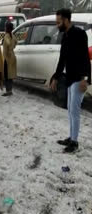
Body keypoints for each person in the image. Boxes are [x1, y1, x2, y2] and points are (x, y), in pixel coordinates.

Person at [50, 9, 91, 153]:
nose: (57, 25)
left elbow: (86, 58)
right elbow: (62, 59)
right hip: (68, 78)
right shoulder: (65, 36)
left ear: (66, 20)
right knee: (70, 110)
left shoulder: (80, 34)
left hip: (78, 79)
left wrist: (86, 79)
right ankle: (71, 137)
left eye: (59, 22)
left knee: (75, 111)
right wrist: (55, 77)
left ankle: (74, 142)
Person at [2, 22, 17, 96]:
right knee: (10, 75)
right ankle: (10, 90)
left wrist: (8, 45)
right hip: (13, 56)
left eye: (5, 27)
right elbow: (15, 43)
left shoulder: (6, 36)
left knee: (7, 74)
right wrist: (12, 47)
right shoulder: (13, 36)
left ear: (7, 28)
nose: (4, 28)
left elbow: (8, 43)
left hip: (8, 57)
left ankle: (8, 91)